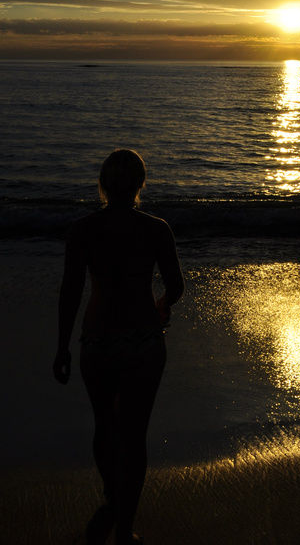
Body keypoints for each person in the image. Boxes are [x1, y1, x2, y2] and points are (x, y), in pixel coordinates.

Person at [53, 149, 184, 545]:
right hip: (144, 341)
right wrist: (160, 307)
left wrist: (62, 347)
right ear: (141, 184)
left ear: (104, 185)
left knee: (105, 427)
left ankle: (113, 498)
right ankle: (124, 529)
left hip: (97, 341)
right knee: (134, 435)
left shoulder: (82, 230)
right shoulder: (157, 228)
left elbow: (71, 292)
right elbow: (175, 287)